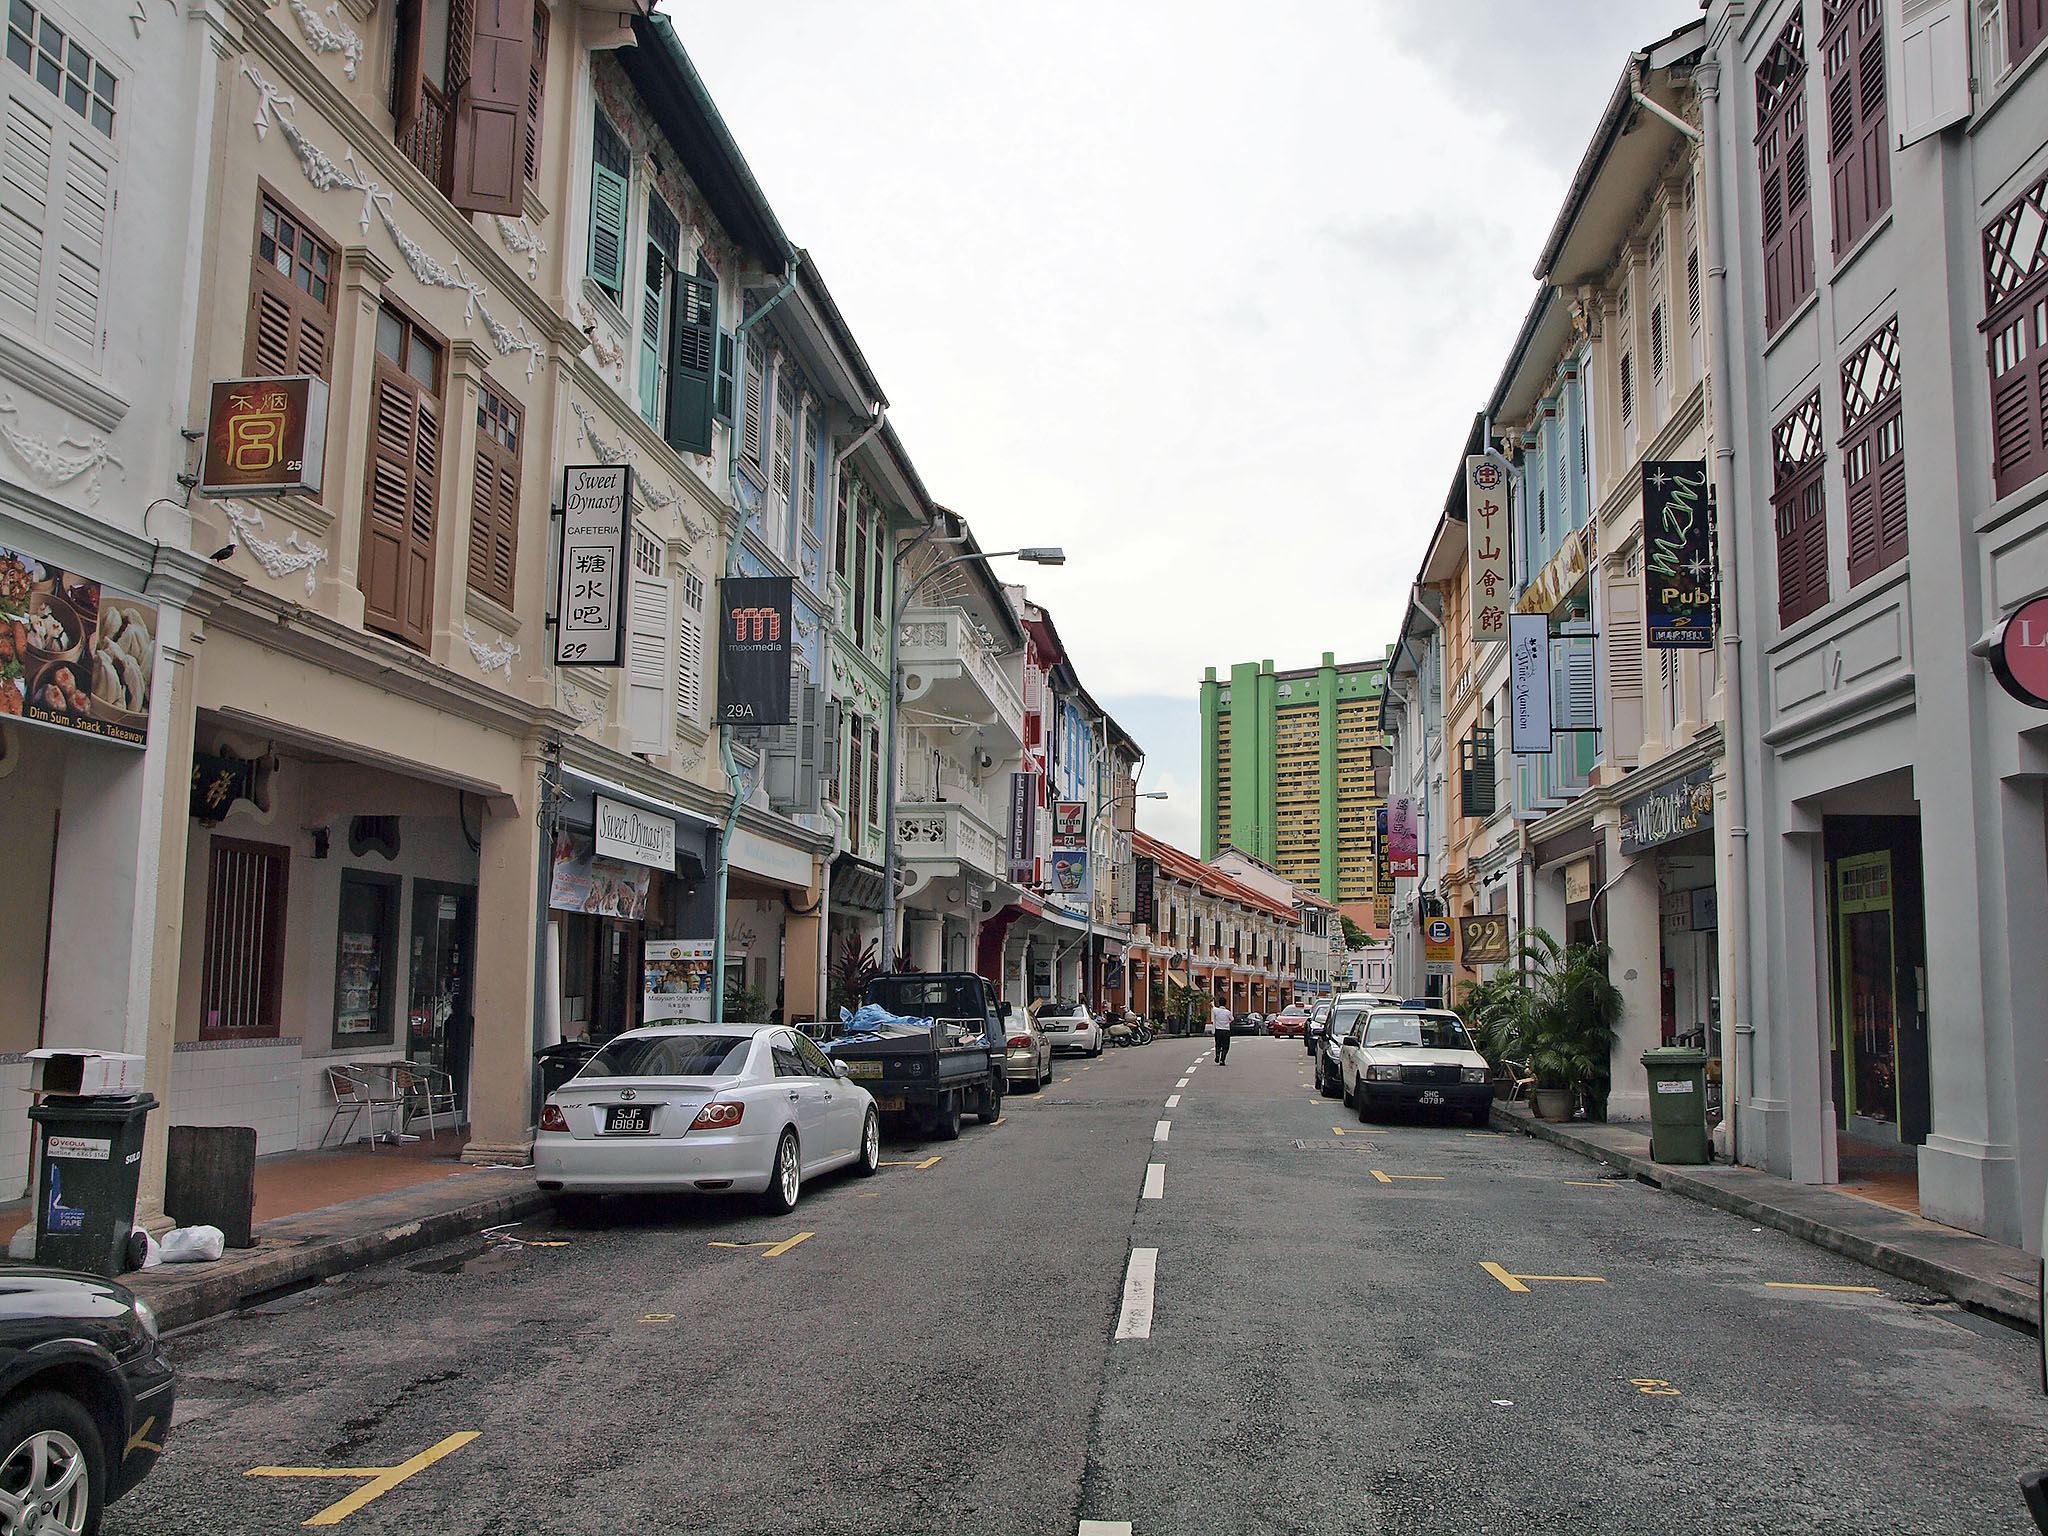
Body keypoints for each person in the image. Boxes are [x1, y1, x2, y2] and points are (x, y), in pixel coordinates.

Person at [1211, 999, 1234, 1064]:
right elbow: (1232, 1019)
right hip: (1226, 1031)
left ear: (1219, 1003)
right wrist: (1228, 1022)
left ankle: (1217, 1054)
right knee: (1225, 1046)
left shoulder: (1216, 1010)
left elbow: (1213, 1006)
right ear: (1225, 1003)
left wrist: (1212, 1003)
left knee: (1218, 1044)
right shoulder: (1228, 1012)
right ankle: (1222, 1059)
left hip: (1218, 1030)